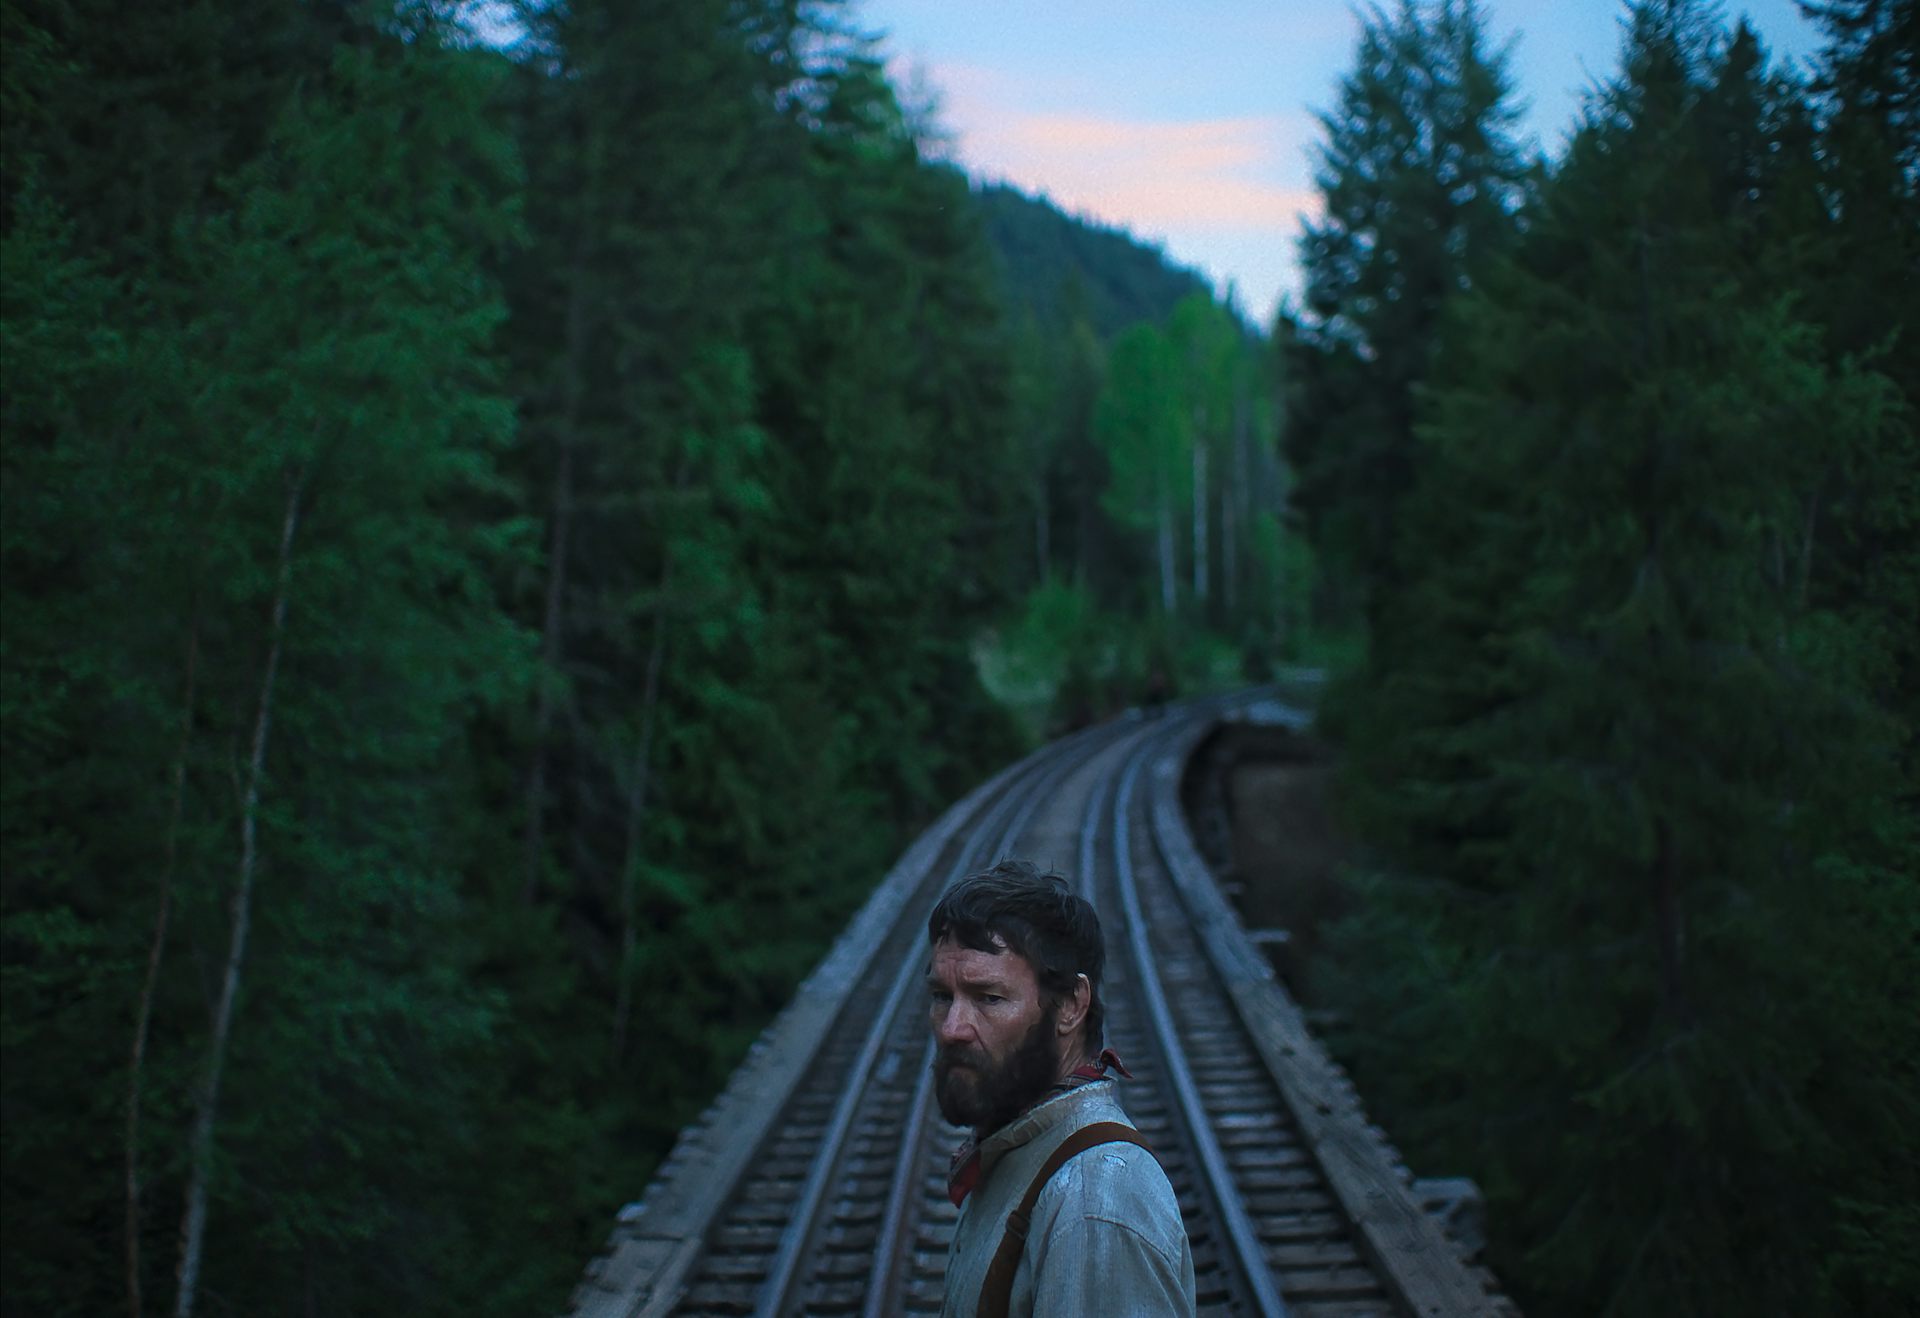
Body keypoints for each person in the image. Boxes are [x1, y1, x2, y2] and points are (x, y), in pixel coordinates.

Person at [926, 860, 1197, 1318]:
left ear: (1071, 1005)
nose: (953, 1028)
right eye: (942, 997)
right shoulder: (1022, 1151)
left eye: (988, 998)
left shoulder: (1094, 1205)